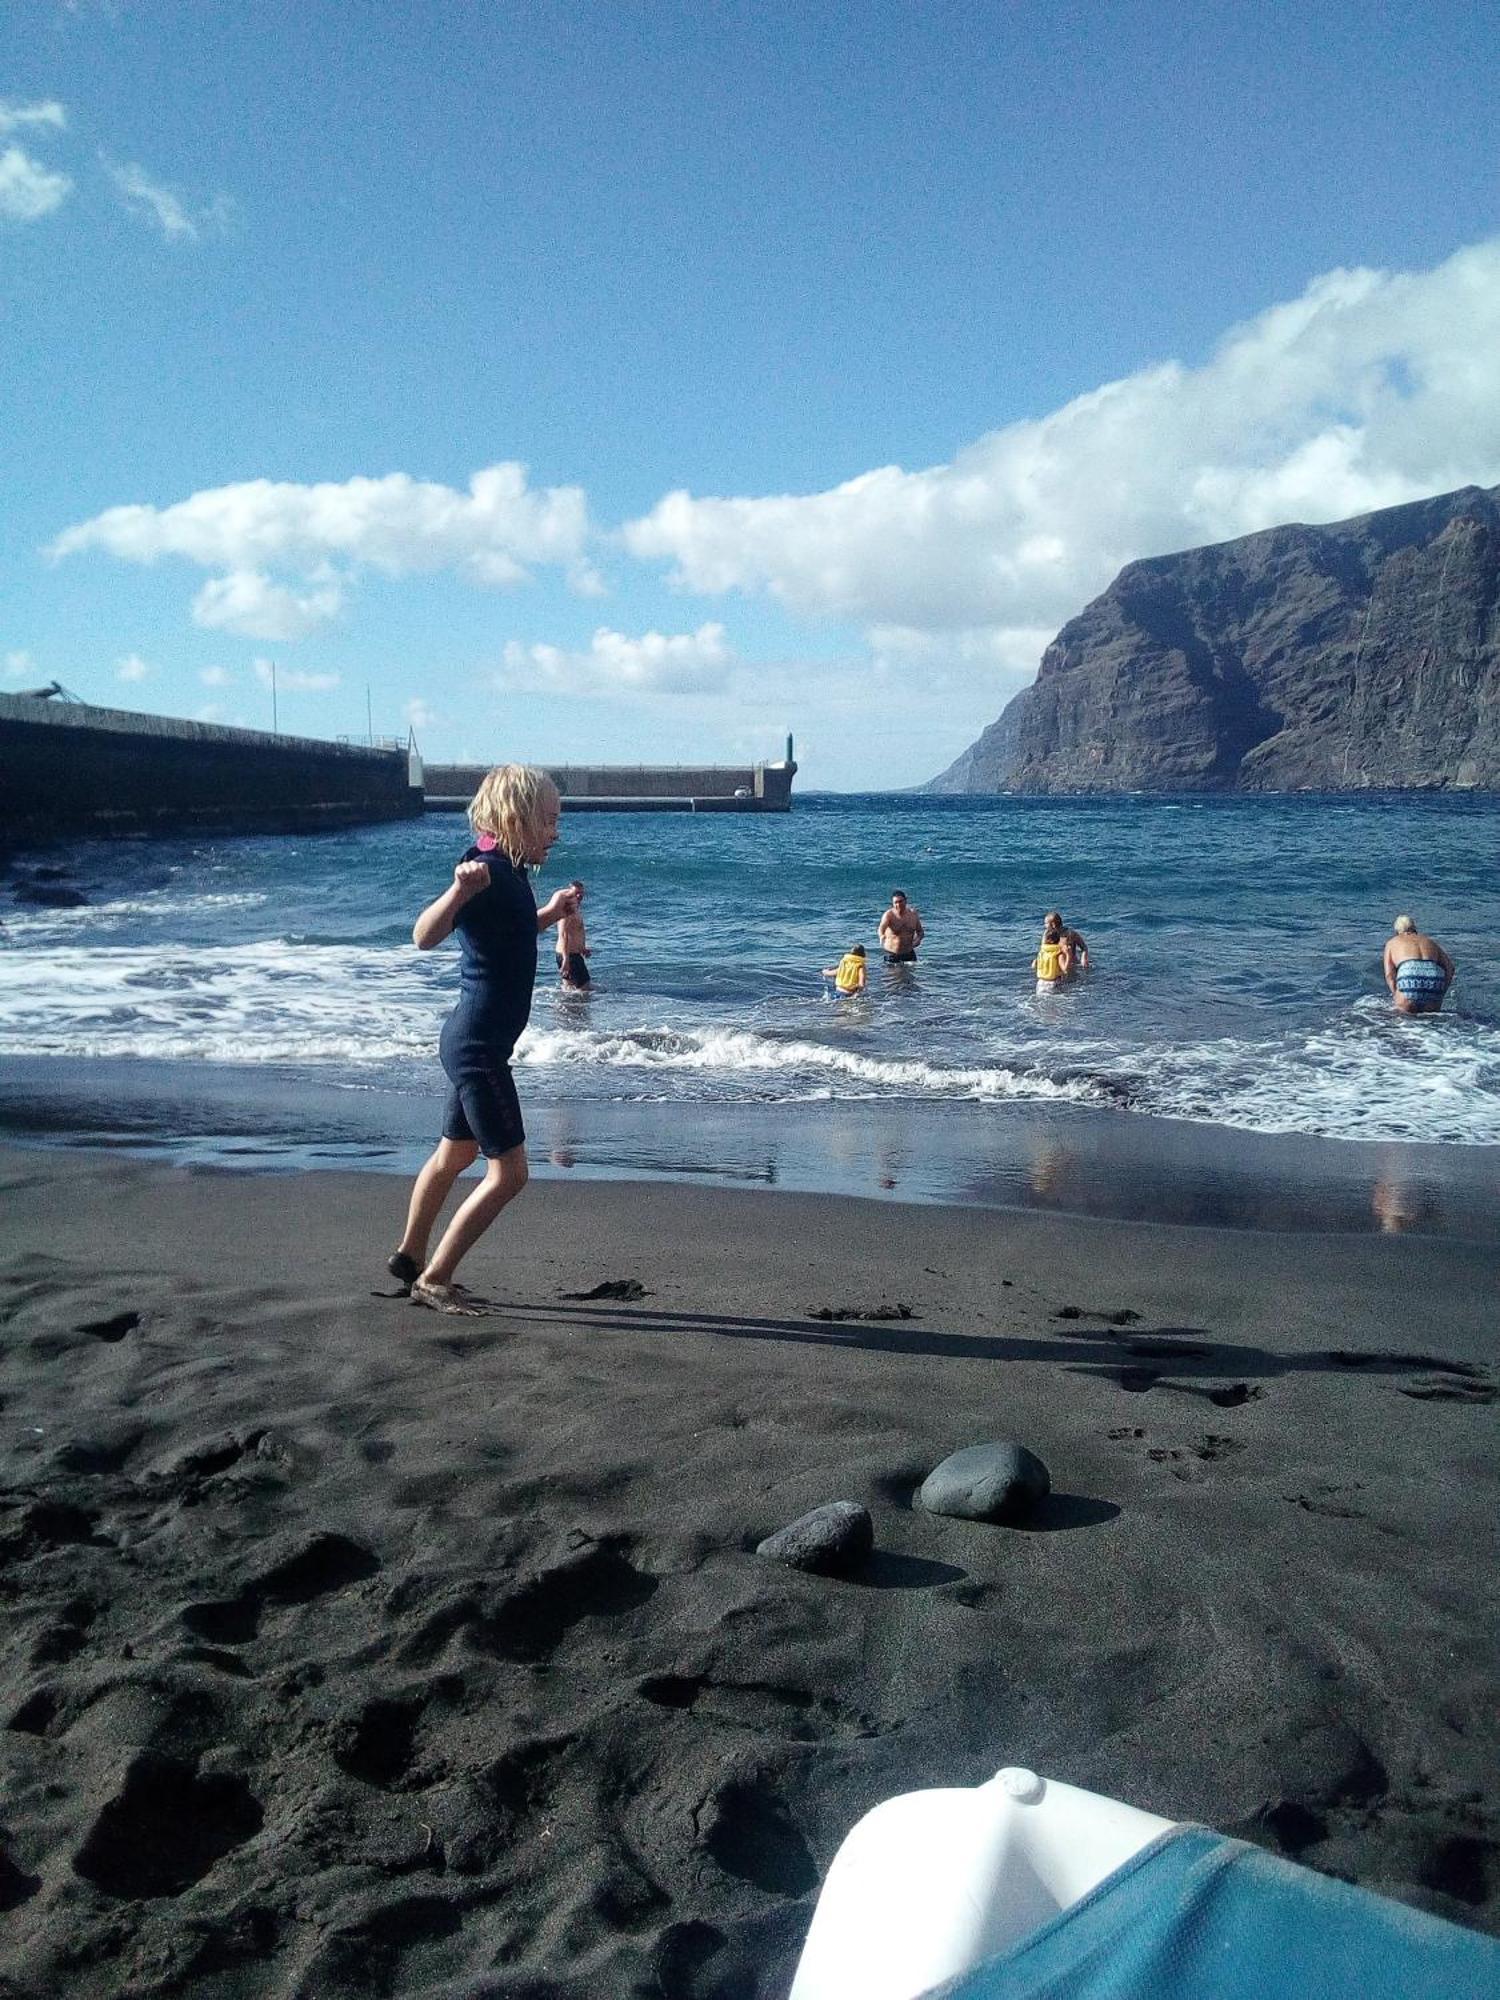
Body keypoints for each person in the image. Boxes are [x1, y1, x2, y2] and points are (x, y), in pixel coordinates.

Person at [387, 765, 578, 1314]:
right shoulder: (484, 871)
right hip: (479, 1049)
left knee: (456, 1153)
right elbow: (424, 937)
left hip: (474, 1042)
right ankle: (435, 1278)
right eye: (548, 820)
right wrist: (456, 890)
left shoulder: (514, 875)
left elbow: (513, 934)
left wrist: (552, 913)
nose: (555, 833)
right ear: (516, 819)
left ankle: (409, 1257)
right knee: (510, 1174)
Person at [1383, 913, 1455, 1016]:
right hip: (1433, 982)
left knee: (1400, 1020)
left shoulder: (1392, 943)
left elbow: (1389, 975)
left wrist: (1397, 995)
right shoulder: (1429, 941)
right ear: (1414, 928)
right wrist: (1441, 993)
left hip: (1409, 979)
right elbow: (1450, 968)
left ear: (1398, 931)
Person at [556, 878, 591, 989]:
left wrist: (582, 948)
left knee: (569, 989)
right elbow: (564, 934)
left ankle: (565, 1006)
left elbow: (576, 932)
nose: (579, 896)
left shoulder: (575, 909)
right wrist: (566, 960)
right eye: (576, 893)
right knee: (585, 988)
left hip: (572, 954)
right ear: (569, 893)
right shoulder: (567, 910)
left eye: (581, 893)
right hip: (569, 955)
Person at [879, 889, 924, 964]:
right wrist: (881, 936)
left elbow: (920, 931)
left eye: (900, 901)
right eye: (895, 902)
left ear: (906, 900)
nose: (898, 904)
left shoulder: (913, 914)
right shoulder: (889, 915)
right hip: (892, 954)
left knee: (912, 975)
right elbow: (881, 929)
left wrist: (918, 939)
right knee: (893, 975)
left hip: (909, 954)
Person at [1033, 917, 1073, 994]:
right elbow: (1065, 970)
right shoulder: (1058, 953)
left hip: (1040, 983)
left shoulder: (1042, 952)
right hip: (1053, 984)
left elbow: (1033, 965)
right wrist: (1068, 955)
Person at [1045, 909, 1089, 974]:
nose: (1044, 926)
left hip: (1071, 965)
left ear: (1053, 924)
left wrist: (1083, 958)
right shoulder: (1048, 935)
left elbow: (1084, 947)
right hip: (1056, 967)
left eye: (1046, 923)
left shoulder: (1070, 933)